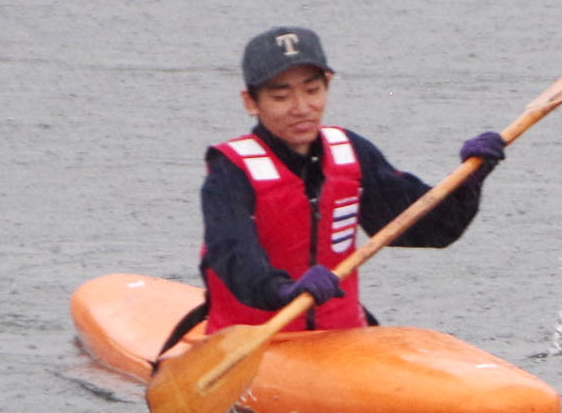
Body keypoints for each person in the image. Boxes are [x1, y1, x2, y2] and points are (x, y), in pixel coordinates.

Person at [196, 26, 506, 332]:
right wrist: (284, 291)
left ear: (327, 85)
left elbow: (430, 229)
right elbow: (233, 254)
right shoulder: (230, 171)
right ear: (251, 102)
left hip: (341, 339)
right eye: (281, 96)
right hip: (258, 339)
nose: (302, 108)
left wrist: (470, 179)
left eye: (312, 90)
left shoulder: (350, 153)